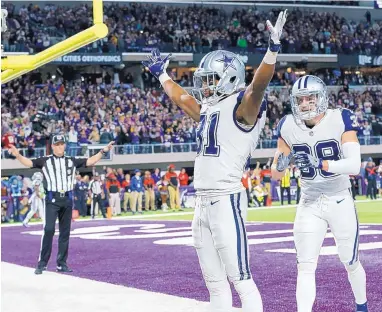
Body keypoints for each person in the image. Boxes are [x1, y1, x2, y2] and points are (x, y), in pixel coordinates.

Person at [142, 10, 288, 312]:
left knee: (241, 279)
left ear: (230, 77)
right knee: (215, 285)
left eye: (210, 79)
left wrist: (272, 50)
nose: (205, 85)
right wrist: (162, 74)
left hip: (226, 199)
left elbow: (257, 86)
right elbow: (182, 99)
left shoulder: (242, 106)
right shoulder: (210, 107)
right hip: (202, 203)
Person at [271, 75, 367, 312]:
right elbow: (275, 173)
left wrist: (323, 164)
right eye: (300, 100)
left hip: (339, 197)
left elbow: (354, 165)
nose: (304, 104)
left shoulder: (340, 118)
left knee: (350, 260)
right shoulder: (288, 125)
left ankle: (362, 307)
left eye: (310, 98)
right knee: (305, 265)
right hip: (310, 200)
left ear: (322, 97)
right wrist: (282, 164)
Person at [8, 135, 114, 275]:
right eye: (56, 144)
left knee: (65, 233)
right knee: (49, 230)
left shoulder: (71, 161)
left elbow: (90, 161)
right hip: (52, 199)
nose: (59, 147)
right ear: (52, 146)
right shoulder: (45, 161)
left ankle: (61, 263)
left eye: (61, 144)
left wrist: (103, 150)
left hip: (67, 200)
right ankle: (42, 263)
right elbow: (29, 163)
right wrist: (18, 155)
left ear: (65, 145)